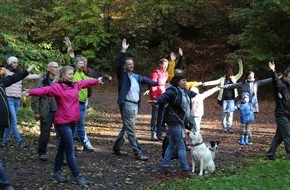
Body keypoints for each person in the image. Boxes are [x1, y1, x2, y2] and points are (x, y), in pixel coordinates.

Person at [24, 66, 103, 185]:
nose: (72, 76)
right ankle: (78, 176)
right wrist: (29, 92)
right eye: (70, 74)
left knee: (62, 149)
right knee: (70, 150)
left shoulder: (75, 85)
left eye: (72, 74)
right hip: (62, 123)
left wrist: (96, 81)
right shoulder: (57, 87)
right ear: (63, 76)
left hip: (73, 122)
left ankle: (56, 173)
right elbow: (44, 90)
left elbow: (85, 82)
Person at [112, 39, 158, 161]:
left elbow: (148, 81)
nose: (131, 65)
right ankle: (137, 152)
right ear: (124, 66)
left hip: (135, 105)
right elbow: (119, 63)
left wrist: (159, 83)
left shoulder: (136, 76)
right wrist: (123, 51)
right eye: (129, 64)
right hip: (127, 104)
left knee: (126, 127)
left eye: (132, 64)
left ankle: (116, 147)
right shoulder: (123, 76)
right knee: (131, 129)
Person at [148, 70, 197, 177]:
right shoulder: (173, 90)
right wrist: (156, 101)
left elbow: (191, 95)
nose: (185, 82)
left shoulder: (182, 91)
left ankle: (164, 166)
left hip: (176, 121)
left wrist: (197, 92)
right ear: (178, 81)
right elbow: (164, 96)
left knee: (171, 144)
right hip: (174, 121)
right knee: (181, 146)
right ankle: (185, 169)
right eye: (183, 80)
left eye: (185, 80)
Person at [0, 64, 35, 190]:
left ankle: (4, 183)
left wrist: (26, 71)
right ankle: (5, 183)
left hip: (1, 124)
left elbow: (14, 78)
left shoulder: (1, 82)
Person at [2, 56, 41, 148]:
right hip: (8, 99)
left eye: (17, 62)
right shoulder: (5, 72)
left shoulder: (19, 73)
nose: (16, 64)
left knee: (10, 121)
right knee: (14, 121)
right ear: (10, 63)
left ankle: (5, 140)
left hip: (17, 99)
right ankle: (20, 141)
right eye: (14, 62)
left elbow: (29, 76)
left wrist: (41, 75)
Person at [203, 59, 243, 133]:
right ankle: (224, 127)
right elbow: (214, 82)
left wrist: (240, 65)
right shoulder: (222, 79)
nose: (229, 74)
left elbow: (240, 73)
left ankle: (230, 127)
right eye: (228, 73)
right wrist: (205, 83)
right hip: (224, 99)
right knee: (224, 113)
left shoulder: (234, 78)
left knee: (230, 113)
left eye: (230, 73)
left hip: (232, 99)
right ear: (226, 73)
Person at [31, 62, 59, 161]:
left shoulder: (60, 81)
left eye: (57, 67)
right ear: (48, 69)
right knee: (45, 133)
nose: (56, 69)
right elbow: (35, 96)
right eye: (54, 67)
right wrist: (36, 111)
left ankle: (62, 155)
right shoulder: (42, 81)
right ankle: (42, 152)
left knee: (60, 133)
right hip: (46, 111)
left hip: (59, 111)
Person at [266, 62, 290, 160]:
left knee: (279, 137)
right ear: (284, 77)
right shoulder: (280, 86)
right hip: (281, 115)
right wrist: (273, 71)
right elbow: (275, 81)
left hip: (288, 115)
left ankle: (270, 154)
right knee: (288, 134)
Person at [72, 57, 95, 152]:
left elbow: (88, 79)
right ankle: (86, 144)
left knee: (78, 124)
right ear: (76, 64)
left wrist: (97, 80)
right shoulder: (73, 72)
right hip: (75, 102)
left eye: (84, 63)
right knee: (78, 124)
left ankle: (73, 144)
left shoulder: (82, 73)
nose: (83, 65)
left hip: (82, 102)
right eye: (81, 63)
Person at [148, 58, 169, 141]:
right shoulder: (155, 73)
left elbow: (165, 86)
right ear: (160, 64)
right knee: (155, 116)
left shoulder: (166, 73)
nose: (165, 67)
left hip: (163, 97)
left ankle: (159, 133)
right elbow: (153, 86)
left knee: (161, 117)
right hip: (156, 98)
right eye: (164, 65)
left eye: (166, 65)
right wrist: (154, 99)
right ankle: (153, 134)